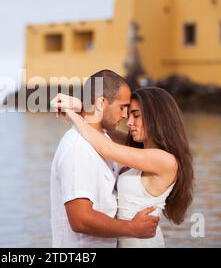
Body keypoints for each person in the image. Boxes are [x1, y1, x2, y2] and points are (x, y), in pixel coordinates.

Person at [52, 85, 194, 247]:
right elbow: (104, 128)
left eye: (136, 115)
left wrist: (72, 115)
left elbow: (106, 147)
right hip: (128, 239)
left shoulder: (165, 160)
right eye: (128, 116)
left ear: (157, 117)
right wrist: (82, 107)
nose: (129, 123)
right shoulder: (142, 151)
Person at [50, 70, 159, 248]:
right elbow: (81, 219)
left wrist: (80, 107)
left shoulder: (103, 139)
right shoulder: (79, 149)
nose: (125, 115)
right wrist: (132, 228)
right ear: (101, 102)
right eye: (122, 107)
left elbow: (143, 144)